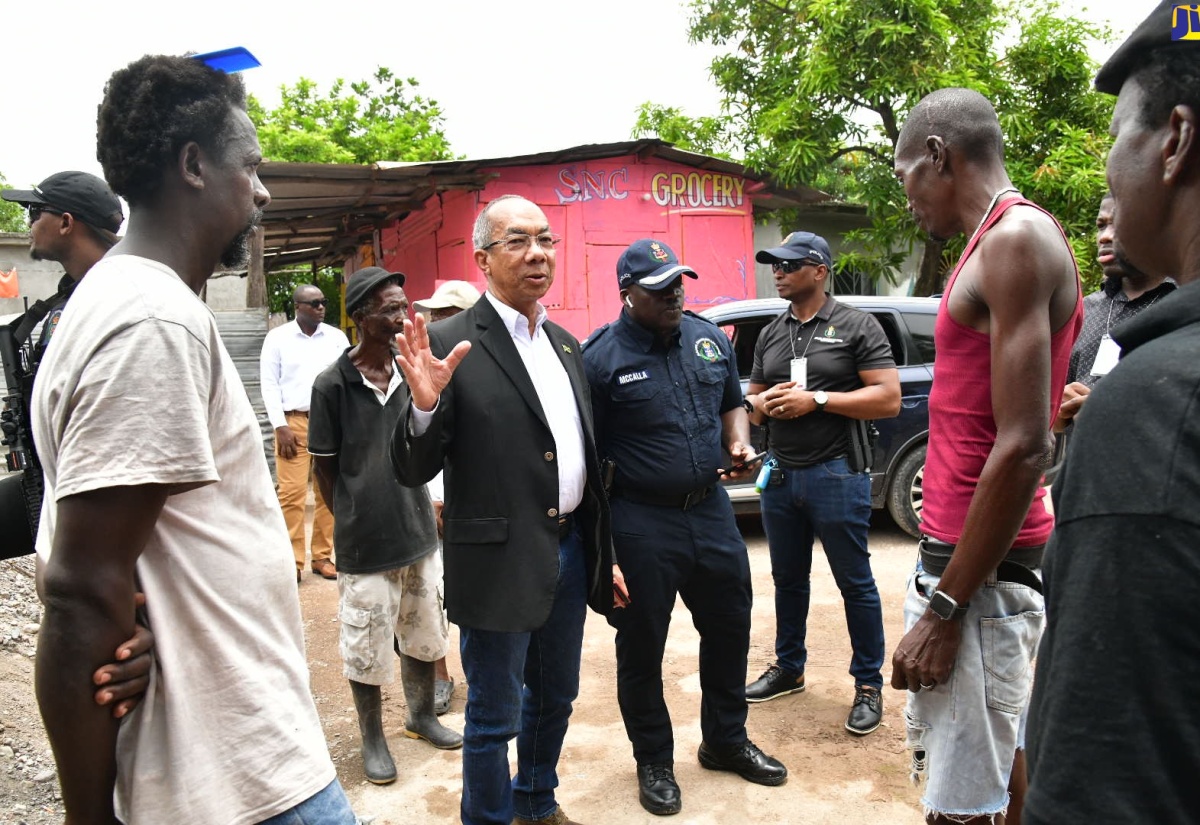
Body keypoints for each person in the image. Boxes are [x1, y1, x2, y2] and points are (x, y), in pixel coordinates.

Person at [32, 54, 355, 823]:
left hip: (236, 757)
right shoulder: (152, 320)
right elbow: (81, 584)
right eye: (251, 166)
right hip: (240, 780)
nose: (264, 190)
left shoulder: (126, 302)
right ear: (193, 166)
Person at [390, 194, 624, 825]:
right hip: (497, 559)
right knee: (494, 717)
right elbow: (410, 468)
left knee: (557, 697)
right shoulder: (446, 344)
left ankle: (535, 802)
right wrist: (423, 407)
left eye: (545, 240)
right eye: (517, 242)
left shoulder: (567, 346)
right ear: (483, 258)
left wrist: (606, 554)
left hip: (569, 552)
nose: (537, 254)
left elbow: (577, 458)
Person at [889, 87, 1082, 825]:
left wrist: (945, 606)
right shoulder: (990, 242)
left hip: (981, 572)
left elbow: (1027, 441)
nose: (908, 198)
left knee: (960, 802)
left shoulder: (1014, 240)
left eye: (907, 174)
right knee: (1000, 764)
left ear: (939, 156)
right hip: (967, 557)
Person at [1025, 4, 1200, 822]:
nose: (1108, 169)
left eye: (1117, 138)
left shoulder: (1157, 407)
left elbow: (1107, 769)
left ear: (1174, 141)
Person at [583, 239, 787, 816]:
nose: (674, 294)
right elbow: (586, 456)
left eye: (679, 283)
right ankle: (653, 759)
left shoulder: (705, 337)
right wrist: (606, 547)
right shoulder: (600, 359)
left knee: (729, 626)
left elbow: (732, 404)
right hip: (640, 519)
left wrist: (739, 440)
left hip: (711, 511)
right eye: (659, 288)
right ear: (627, 292)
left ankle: (724, 740)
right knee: (643, 643)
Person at [308, 266, 462, 785]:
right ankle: (373, 738)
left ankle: (420, 718)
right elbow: (325, 468)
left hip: (417, 532)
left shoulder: (411, 372)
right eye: (390, 310)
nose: (402, 317)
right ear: (360, 318)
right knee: (367, 645)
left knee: (423, 634)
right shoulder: (333, 384)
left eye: (404, 306)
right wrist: (354, 513)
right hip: (364, 542)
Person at [743, 231, 900, 736]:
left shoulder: (857, 325)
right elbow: (753, 404)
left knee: (855, 583)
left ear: (819, 270)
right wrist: (767, 405)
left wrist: (820, 400)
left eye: (789, 264)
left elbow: (888, 398)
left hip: (837, 473)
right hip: (782, 475)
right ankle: (789, 668)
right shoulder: (771, 333)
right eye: (775, 264)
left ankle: (868, 685)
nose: (779, 271)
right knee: (788, 581)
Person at [411, 277, 483, 715]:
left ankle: (485, 676)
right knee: (429, 594)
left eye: (445, 315)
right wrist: (427, 503)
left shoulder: (486, 370)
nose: (435, 322)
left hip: (472, 510)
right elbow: (412, 442)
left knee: (476, 598)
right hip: (428, 507)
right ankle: (439, 677)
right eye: (433, 315)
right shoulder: (423, 368)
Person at [1053, 192, 1175, 433]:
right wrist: (1056, 415)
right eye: (1101, 225)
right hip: (1077, 462)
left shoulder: (1183, 309)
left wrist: (1109, 410)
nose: (1105, 236)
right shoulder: (1082, 310)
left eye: (1119, 224)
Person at [260, 282, 349, 582]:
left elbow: (348, 379)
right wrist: (279, 425)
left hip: (330, 422)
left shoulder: (337, 339)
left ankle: (322, 557)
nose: (321, 307)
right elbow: (269, 383)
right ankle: (293, 562)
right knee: (292, 494)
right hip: (293, 423)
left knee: (329, 492)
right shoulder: (278, 339)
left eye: (323, 302)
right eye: (314, 303)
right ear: (297, 307)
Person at [1, 170, 123, 362]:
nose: (29, 223)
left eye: (35, 212)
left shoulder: (116, 301)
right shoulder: (77, 294)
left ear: (66, 222)